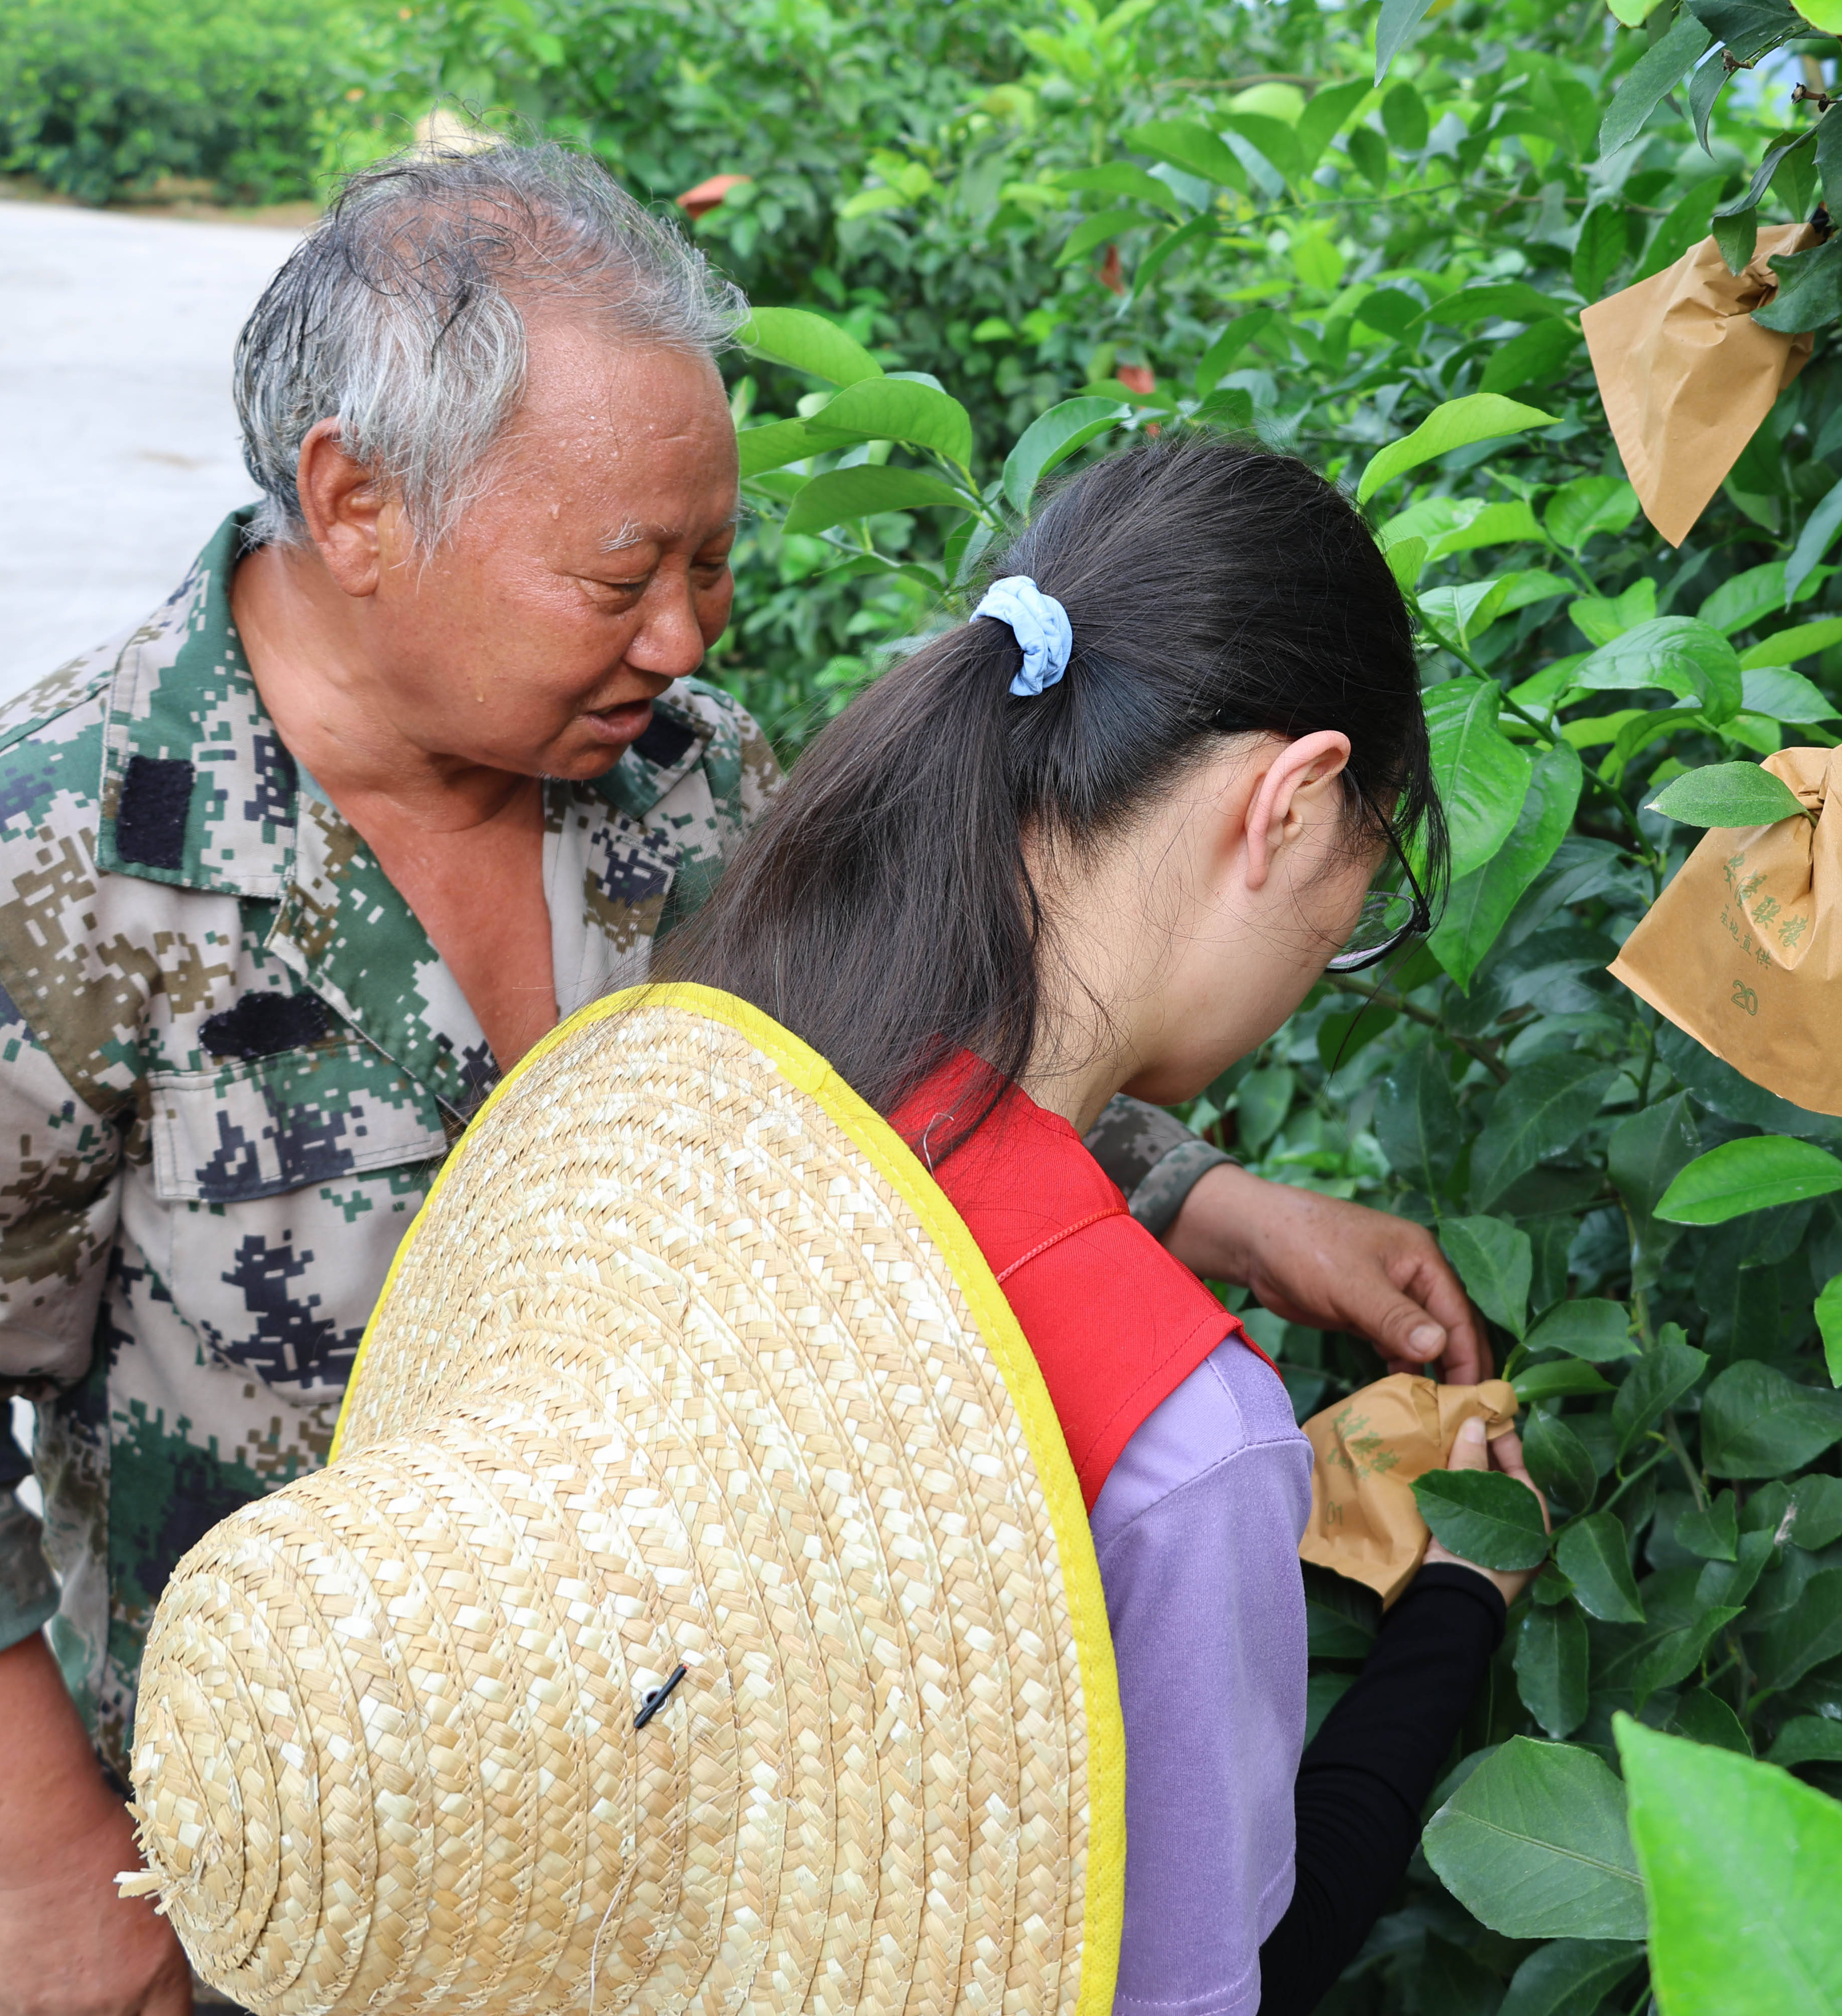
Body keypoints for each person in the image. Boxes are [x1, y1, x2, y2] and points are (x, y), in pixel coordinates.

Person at [0, 143, 1485, 2015]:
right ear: (354, 504)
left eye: (712, 563)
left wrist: (1211, 1205)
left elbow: (885, 1086)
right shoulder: (29, 883)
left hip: (662, 1839)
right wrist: (43, 1869)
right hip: (275, 1860)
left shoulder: (682, 777)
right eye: (620, 576)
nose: (684, 639)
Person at [658, 434, 1544, 2016]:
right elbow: (1219, 1975)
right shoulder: (1187, 1442)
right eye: (1368, 884)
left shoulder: (731, 1068)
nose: (1335, 938)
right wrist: (1460, 1611)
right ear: (1291, 803)